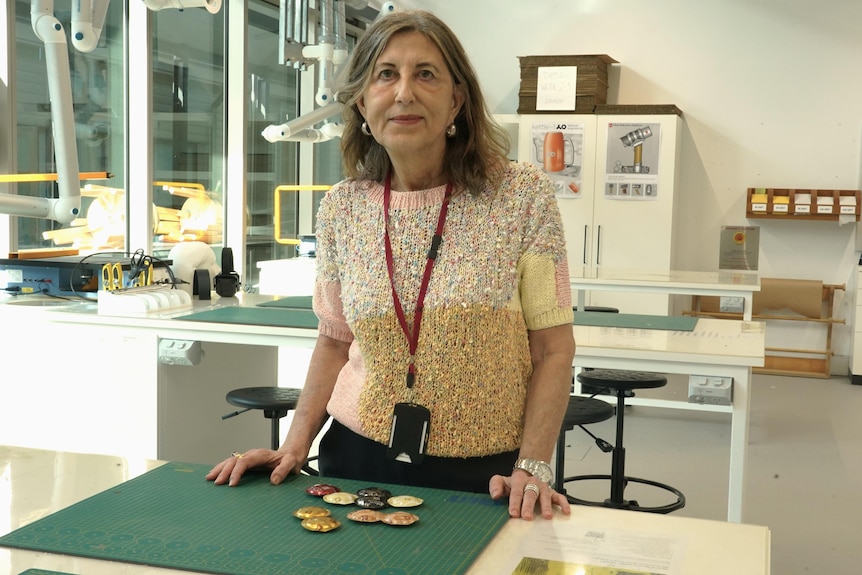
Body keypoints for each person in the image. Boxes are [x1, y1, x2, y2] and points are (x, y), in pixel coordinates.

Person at [206, 9, 576, 521]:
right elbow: (334, 340)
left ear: (457, 100)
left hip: (487, 474)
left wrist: (534, 465)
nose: (404, 92)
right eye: (386, 74)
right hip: (355, 457)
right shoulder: (342, 206)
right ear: (362, 101)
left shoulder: (521, 196)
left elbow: (553, 349)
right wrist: (293, 446)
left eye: (425, 73)